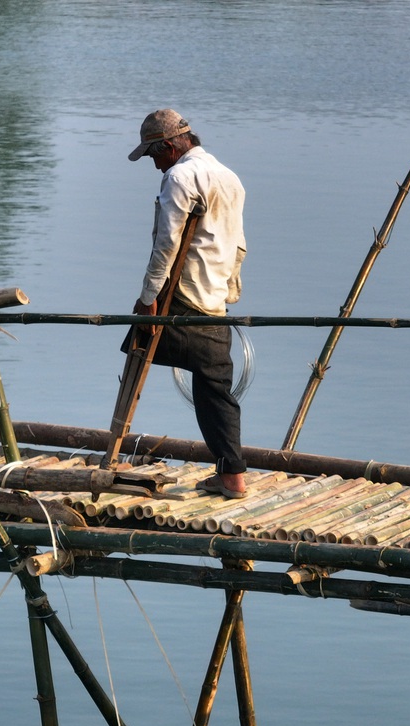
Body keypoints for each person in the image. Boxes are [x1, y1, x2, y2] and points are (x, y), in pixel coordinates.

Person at [127, 109, 249, 498]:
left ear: (169, 146)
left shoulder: (179, 176)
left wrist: (148, 299)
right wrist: (228, 290)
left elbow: (167, 244)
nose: (154, 164)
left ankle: (115, 443)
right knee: (215, 389)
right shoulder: (229, 177)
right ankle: (232, 475)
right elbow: (238, 245)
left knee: (135, 346)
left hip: (180, 299)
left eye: (153, 155)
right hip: (213, 300)